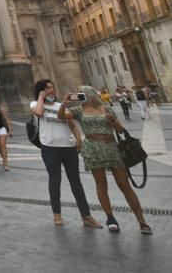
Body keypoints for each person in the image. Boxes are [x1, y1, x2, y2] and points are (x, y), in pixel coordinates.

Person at [60, 86, 152, 234]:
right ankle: (110, 218)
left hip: (111, 147)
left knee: (124, 185)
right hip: (93, 149)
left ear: (89, 94)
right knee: (101, 184)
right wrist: (64, 103)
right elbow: (61, 117)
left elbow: (121, 130)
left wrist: (114, 122)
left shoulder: (106, 109)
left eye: (81, 93)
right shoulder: (78, 110)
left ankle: (142, 221)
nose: (78, 96)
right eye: (78, 94)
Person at [30, 79, 102, 228]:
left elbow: (71, 124)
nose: (51, 90)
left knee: (76, 182)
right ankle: (57, 214)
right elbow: (38, 112)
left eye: (52, 87)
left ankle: (86, 216)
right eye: (47, 88)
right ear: (41, 91)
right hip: (50, 147)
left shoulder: (60, 106)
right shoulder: (36, 104)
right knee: (55, 180)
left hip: (68, 147)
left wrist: (78, 139)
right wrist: (41, 97)